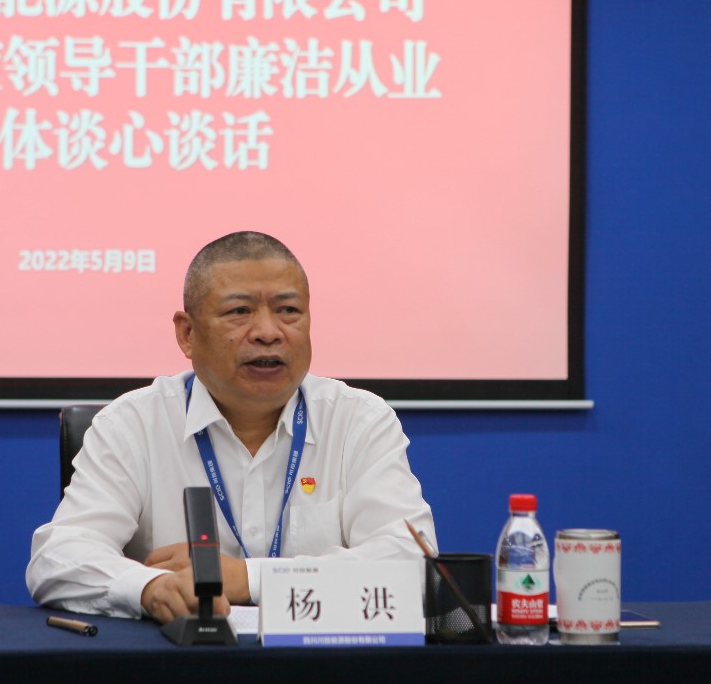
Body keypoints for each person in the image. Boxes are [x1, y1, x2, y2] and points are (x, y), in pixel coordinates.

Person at [26, 231, 436, 621]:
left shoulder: (358, 421)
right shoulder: (133, 424)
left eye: (288, 311)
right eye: (239, 312)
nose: (268, 333)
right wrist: (149, 588)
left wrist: (248, 579)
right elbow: (58, 557)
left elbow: (413, 564)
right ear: (187, 334)